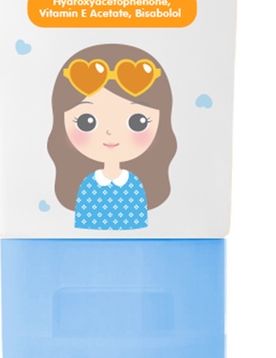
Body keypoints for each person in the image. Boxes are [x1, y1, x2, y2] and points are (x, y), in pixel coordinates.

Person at [46, 43, 177, 230]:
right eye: (86, 122)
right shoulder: (88, 186)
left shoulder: (134, 186)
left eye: (138, 122)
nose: (110, 132)